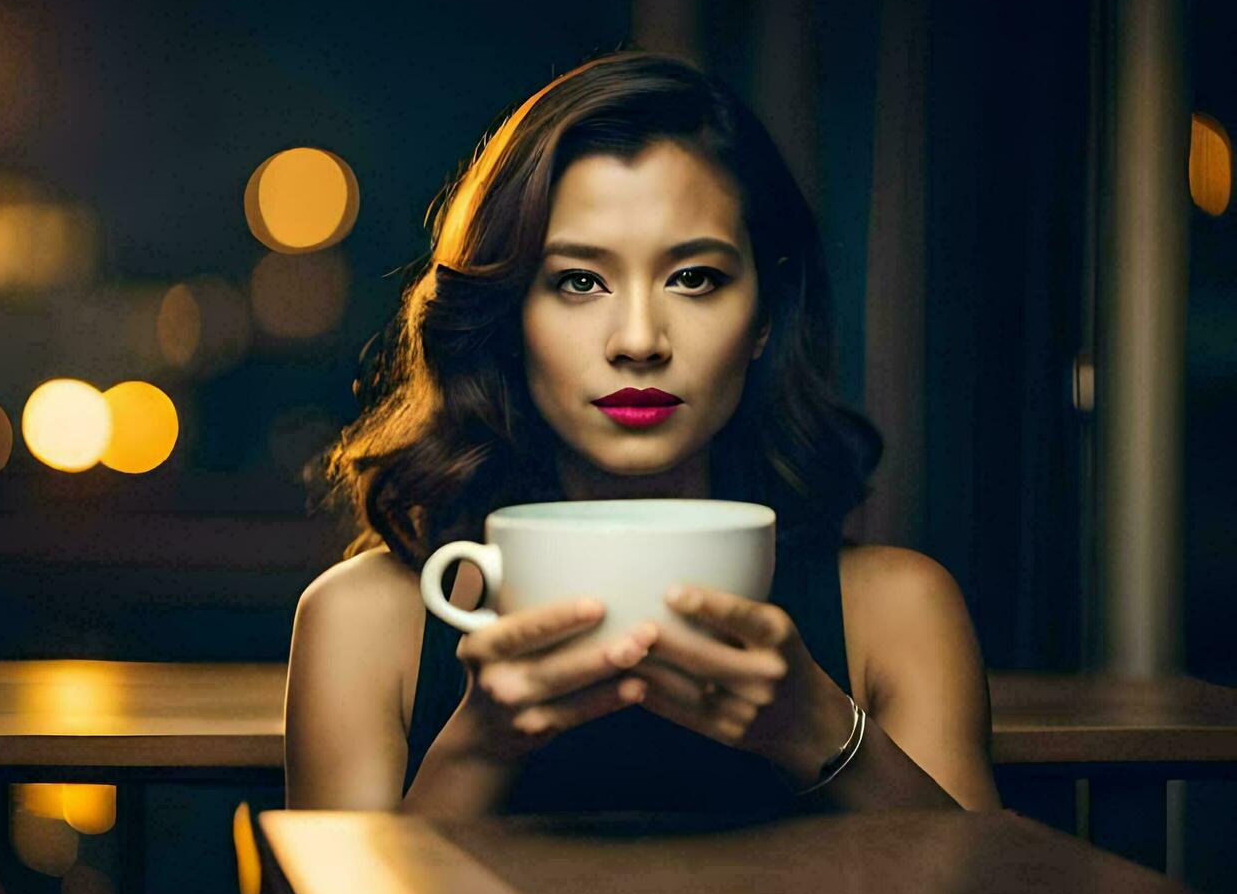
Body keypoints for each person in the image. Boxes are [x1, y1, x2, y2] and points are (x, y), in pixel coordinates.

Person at [285, 49, 1001, 818]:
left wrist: (819, 729)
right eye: (578, 281)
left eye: (694, 278)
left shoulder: (897, 611)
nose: (637, 340)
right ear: (508, 314)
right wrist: (481, 746)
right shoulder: (363, 622)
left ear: (764, 316)